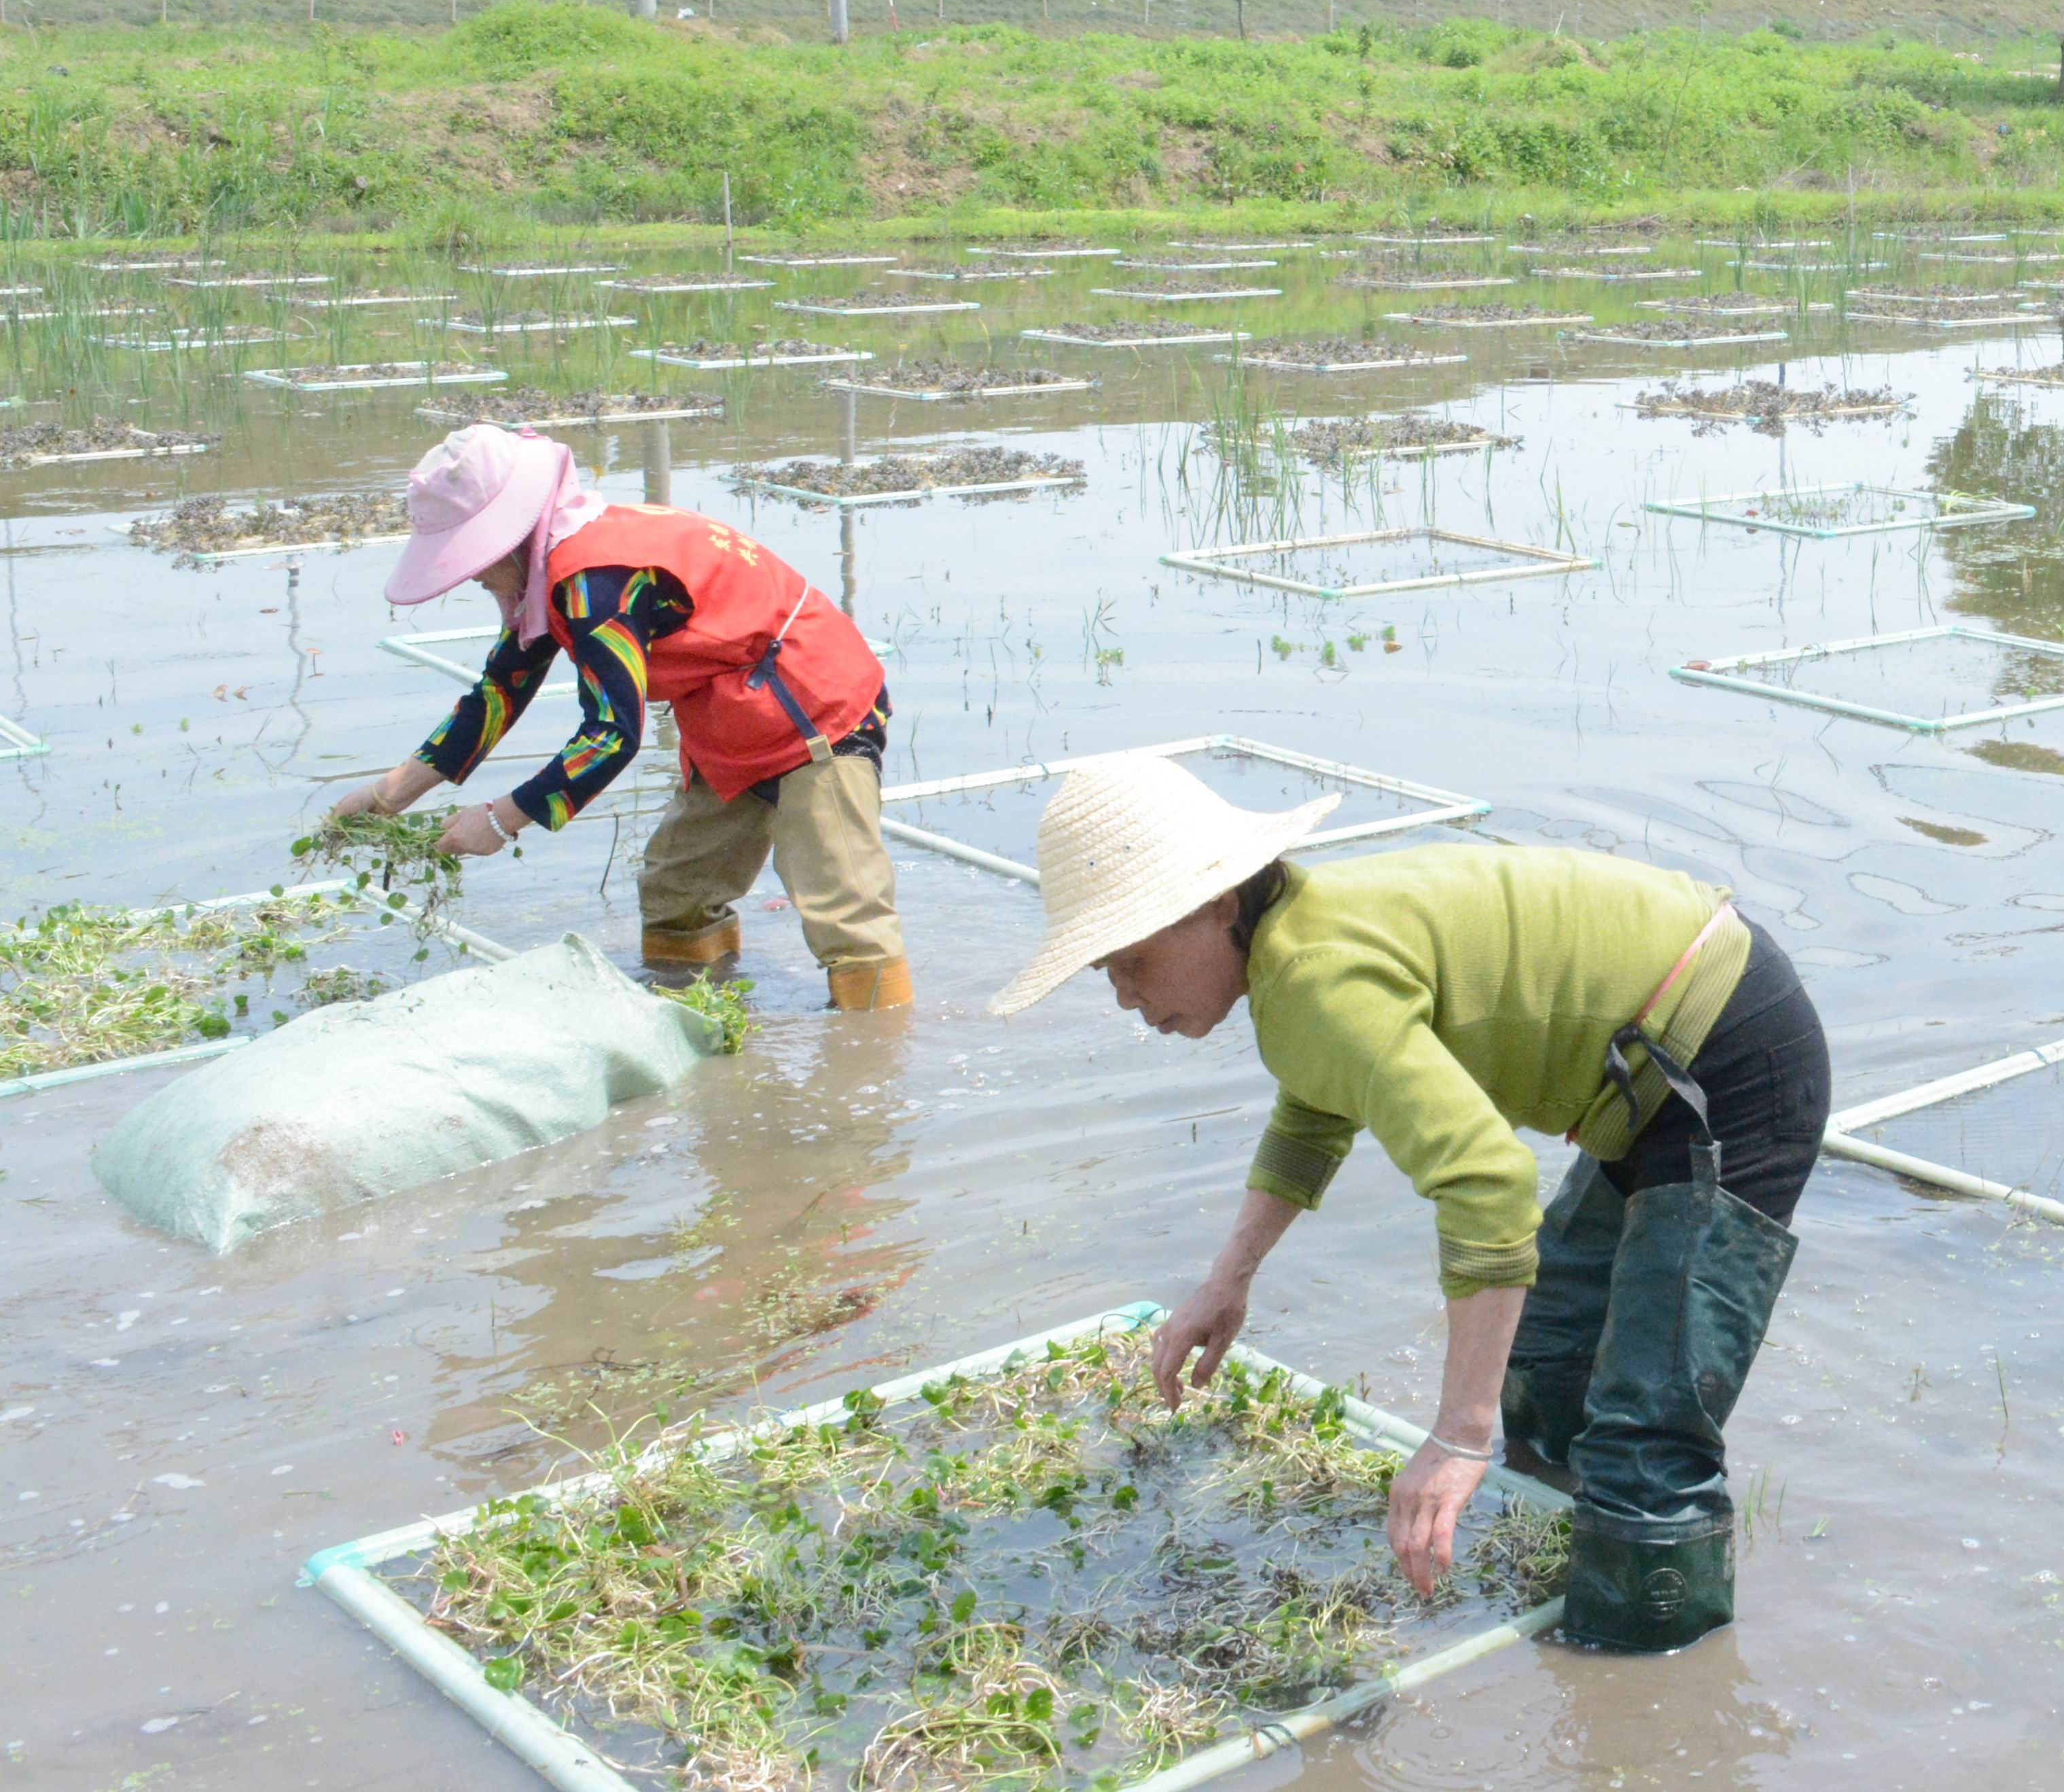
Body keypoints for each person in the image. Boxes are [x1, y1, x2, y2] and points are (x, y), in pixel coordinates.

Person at [984, 752, 1831, 1655]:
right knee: (1546, 1357)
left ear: (1218, 902)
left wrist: (1456, 1439)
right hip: (1654, 1068)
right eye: (1104, 972)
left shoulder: (1311, 976)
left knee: (1645, 1447)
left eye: (1131, 959)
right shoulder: (1295, 953)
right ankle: (1566, 1575)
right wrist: (1225, 1283)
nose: (1123, 995)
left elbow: (1488, 1184)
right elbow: (1317, 1104)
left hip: (1724, 1065)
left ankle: (1650, 1677)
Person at [329, 423, 912, 1011]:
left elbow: (612, 735)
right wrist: (388, 795)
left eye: (472, 560)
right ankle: (700, 1024)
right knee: (676, 891)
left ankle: (869, 1068)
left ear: (509, 537)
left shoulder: (595, 581)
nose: (473, 576)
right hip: (730, 718)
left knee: (845, 914)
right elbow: (499, 691)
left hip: (815, 713)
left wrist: (502, 820)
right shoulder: (554, 568)